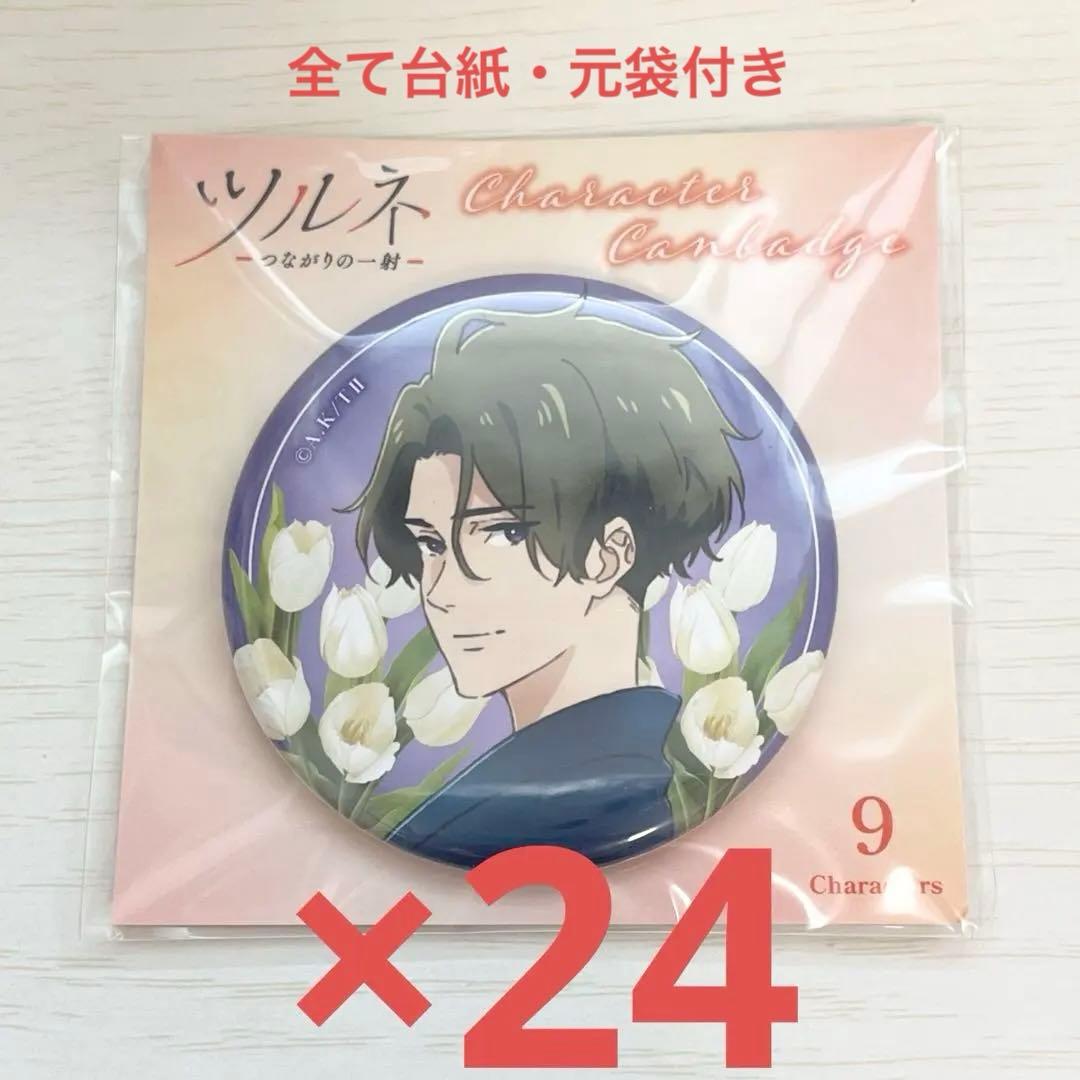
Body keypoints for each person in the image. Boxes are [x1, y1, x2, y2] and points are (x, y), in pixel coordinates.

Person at [350, 299, 744, 866]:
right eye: (432, 544)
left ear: (609, 554)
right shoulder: (562, 781)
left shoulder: (589, 799)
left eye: (502, 533)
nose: (439, 591)